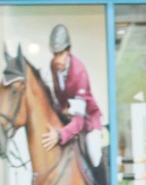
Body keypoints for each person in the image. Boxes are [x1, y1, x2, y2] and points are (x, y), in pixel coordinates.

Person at [41, 23, 105, 173]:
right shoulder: (53, 65)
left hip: (87, 120)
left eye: (61, 54)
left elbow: (79, 121)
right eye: (54, 54)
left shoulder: (79, 72)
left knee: (94, 156)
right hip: (69, 114)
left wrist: (59, 135)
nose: (57, 59)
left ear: (68, 51)